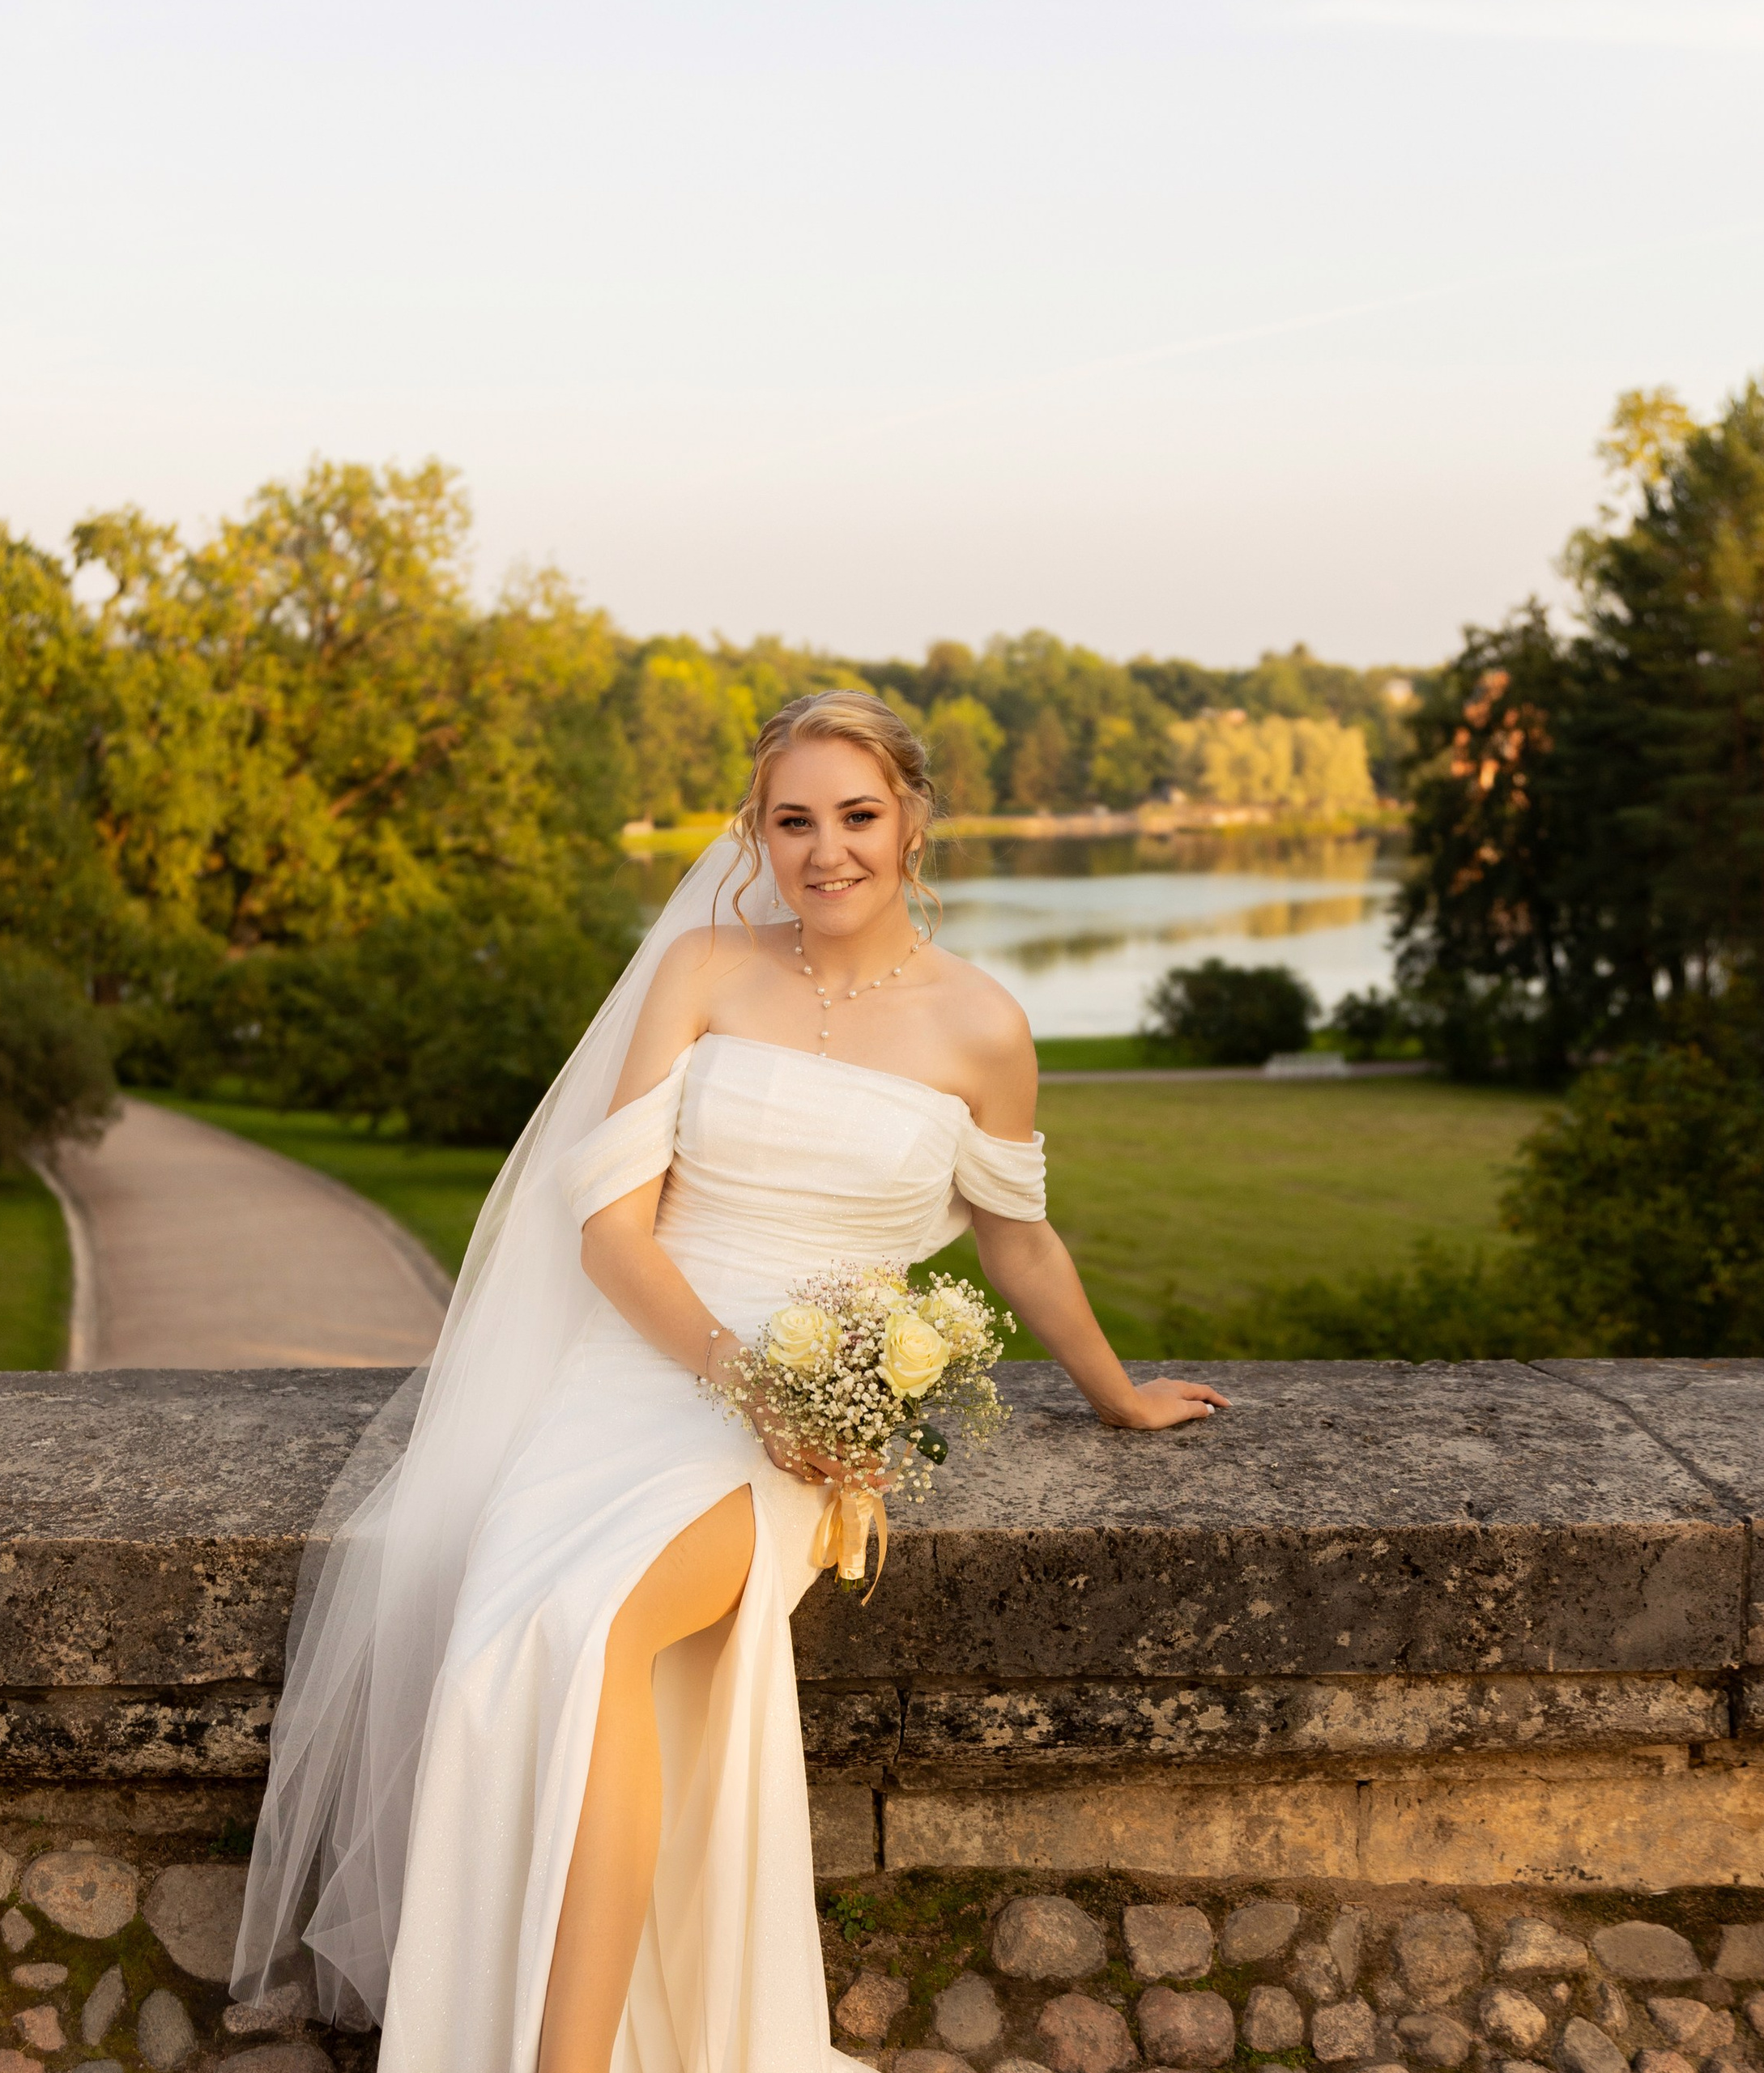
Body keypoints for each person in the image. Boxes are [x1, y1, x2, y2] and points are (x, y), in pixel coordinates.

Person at [231, 689, 1229, 2073]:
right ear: (756, 830)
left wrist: (1115, 1393)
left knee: (586, 1628)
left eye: (859, 817)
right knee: (504, 1646)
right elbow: (609, 1236)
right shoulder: (701, 968)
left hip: (813, 1424)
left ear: (915, 822)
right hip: (643, 1363)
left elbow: (1016, 1235)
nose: (828, 852)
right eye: (794, 820)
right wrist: (734, 1373)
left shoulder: (983, 1028)